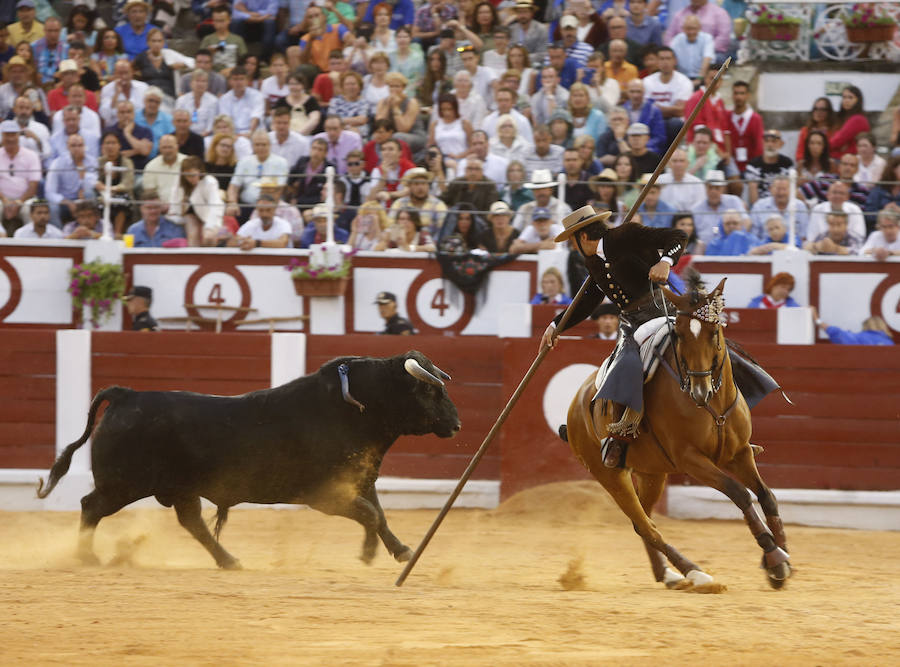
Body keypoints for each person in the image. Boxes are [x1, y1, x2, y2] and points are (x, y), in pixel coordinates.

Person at [540, 204, 691, 467]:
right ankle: (614, 433)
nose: (573, 247)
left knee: (704, 349)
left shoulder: (625, 235)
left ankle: (731, 422)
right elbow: (587, 302)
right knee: (616, 368)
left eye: (573, 241)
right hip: (631, 323)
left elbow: (677, 237)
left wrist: (665, 262)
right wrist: (555, 326)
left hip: (660, 312)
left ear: (583, 237)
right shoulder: (592, 262)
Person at [228, 130, 289, 219]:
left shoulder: (281, 162)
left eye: (264, 144)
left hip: (270, 206)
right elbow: (233, 186)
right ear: (252, 146)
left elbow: (280, 189)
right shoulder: (244, 162)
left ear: (270, 145)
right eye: (257, 144)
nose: (260, 148)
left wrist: (263, 206)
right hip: (246, 205)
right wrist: (232, 202)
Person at [168, 155, 224, 247]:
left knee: (209, 237)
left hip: (208, 215)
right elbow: (174, 205)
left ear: (200, 172)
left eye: (193, 175)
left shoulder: (210, 182)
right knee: (193, 235)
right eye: (187, 176)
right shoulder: (179, 181)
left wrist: (210, 227)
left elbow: (216, 206)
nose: (190, 179)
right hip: (188, 215)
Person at [45, 133, 97, 229]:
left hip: (83, 200)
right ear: (67, 147)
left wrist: (81, 168)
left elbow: (92, 185)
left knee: (89, 194)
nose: (77, 148)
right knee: (52, 207)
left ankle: (91, 229)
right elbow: (50, 192)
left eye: (80, 145)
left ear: (84, 146)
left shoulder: (92, 161)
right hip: (64, 202)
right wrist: (68, 202)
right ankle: (60, 235)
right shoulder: (58, 163)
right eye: (73, 145)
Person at [0, 118, 39, 235]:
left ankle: (30, 237)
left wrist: (19, 202)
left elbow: (33, 185)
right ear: (2, 136)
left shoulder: (31, 155)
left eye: (13, 135)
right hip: (2, 199)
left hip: (25, 199)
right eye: (7, 135)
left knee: (30, 208)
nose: (11, 139)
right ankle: (1, 235)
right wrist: (5, 200)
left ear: (18, 136)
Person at [691, 169, 747, 244]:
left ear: (723, 188)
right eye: (710, 187)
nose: (713, 191)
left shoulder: (734, 201)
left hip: (733, 246)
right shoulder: (696, 209)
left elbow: (746, 221)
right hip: (705, 250)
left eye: (717, 188)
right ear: (705, 187)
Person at [749, 176, 809, 241]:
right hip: (765, 248)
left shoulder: (800, 206)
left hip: (793, 248)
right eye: (778, 189)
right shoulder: (759, 206)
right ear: (770, 189)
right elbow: (753, 236)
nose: (781, 193)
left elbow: (803, 236)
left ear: (792, 190)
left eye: (784, 189)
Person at [390, 167, 447, 235]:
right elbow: (390, 226)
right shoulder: (399, 204)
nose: (420, 187)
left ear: (428, 185)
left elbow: (443, 230)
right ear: (409, 186)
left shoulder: (438, 205)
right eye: (416, 184)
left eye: (423, 183)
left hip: (430, 243)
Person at [744, 129, 793, 205]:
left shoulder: (787, 163)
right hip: (761, 207)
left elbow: (791, 188)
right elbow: (752, 191)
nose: (770, 144)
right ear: (762, 143)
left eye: (774, 141)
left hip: (783, 204)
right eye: (766, 141)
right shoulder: (753, 164)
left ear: (781, 144)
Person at [199, 5, 247, 76]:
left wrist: (232, 69)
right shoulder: (207, 39)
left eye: (222, 21)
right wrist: (209, 54)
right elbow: (199, 61)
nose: (219, 24)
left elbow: (245, 61)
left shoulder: (237, 39)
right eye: (216, 21)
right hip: (212, 75)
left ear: (229, 20)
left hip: (233, 75)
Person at [622, 80, 665, 154]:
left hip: (648, 148)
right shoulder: (622, 110)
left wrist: (641, 146)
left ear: (644, 92)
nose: (635, 95)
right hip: (627, 147)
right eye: (632, 91)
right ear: (627, 92)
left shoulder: (654, 110)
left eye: (638, 91)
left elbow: (659, 137)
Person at [829, 85, 869, 160]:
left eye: (850, 97)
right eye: (844, 97)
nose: (846, 100)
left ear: (858, 100)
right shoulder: (843, 118)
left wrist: (823, 147)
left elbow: (837, 141)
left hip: (848, 160)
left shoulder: (857, 119)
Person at [142, 134, 185, 203]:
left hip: (184, 205)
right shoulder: (151, 166)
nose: (167, 151)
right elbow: (149, 192)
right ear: (159, 148)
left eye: (170, 147)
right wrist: (160, 205)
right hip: (159, 208)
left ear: (177, 147)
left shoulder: (187, 162)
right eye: (164, 147)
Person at [813, 310, 894, 346]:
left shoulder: (860, 338)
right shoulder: (890, 343)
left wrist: (817, 320)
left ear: (865, 326)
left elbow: (837, 333)